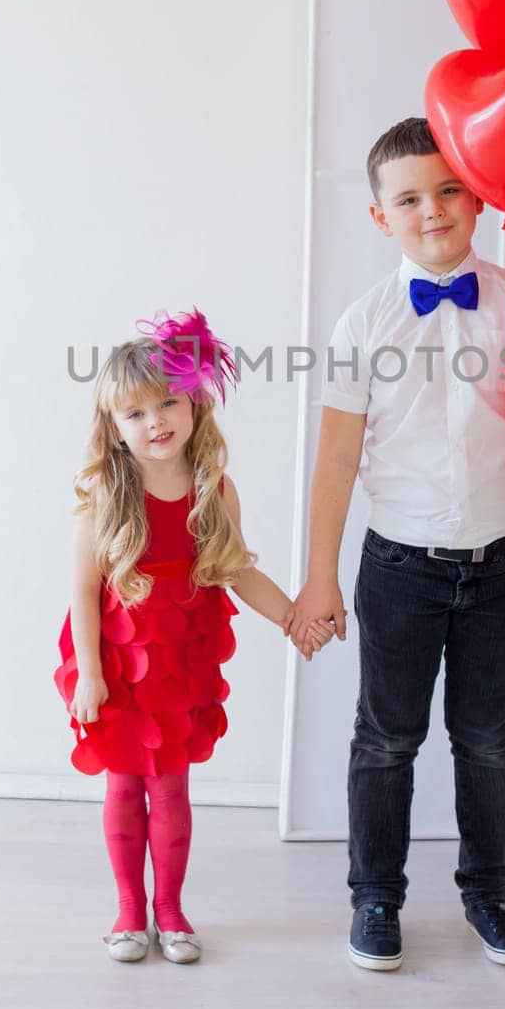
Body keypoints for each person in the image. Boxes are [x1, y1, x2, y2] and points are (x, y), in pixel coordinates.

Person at [288, 117, 505, 972]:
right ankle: (376, 901)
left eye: (450, 189)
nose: (433, 209)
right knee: (386, 738)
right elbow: (338, 457)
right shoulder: (362, 323)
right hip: (399, 567)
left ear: (481, 195)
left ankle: (489, 894)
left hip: (502, 563)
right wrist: (319, 579)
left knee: (488, 738)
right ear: (381, 218)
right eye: (409, 198)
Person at [55, 307, 333, 966]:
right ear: (114, 428)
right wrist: (90, 672)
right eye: (136, 412)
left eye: (169, 403)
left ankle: (171, 911)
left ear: (195, 404)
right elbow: (82, 593)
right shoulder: (105, 493)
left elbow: (236, 570)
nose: (156, 422)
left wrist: (295, 614)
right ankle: (129, 911)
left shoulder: (215, 488)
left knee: (172, 787)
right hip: (119, 661)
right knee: (124, 785)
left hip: (181, 661)